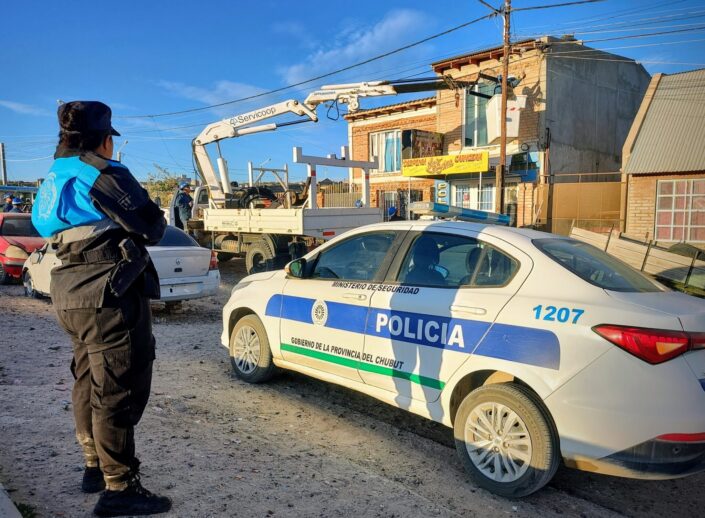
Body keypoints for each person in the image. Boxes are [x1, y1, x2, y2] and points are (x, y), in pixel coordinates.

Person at [31, 101, 171, 516]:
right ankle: (119, 488)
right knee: (118, 389)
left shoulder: (54, 175)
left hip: (69, 290)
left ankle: (94, 465)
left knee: (88, 378)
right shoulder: (103, 172)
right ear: (105, 140)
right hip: (109, 291)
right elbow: (153, 227)